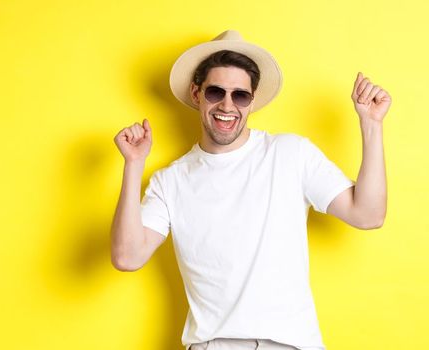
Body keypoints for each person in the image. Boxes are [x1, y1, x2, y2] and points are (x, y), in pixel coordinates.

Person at [110, 30, 390, 350]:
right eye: (216, 92)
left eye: (240, 95)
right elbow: (127, 256)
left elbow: (368, 215)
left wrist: (371, 125)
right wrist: (133, 164)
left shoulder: (290, 154)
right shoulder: (170, 181)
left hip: (289, 345)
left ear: (251, 101)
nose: (227, 105)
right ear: (196, 93)